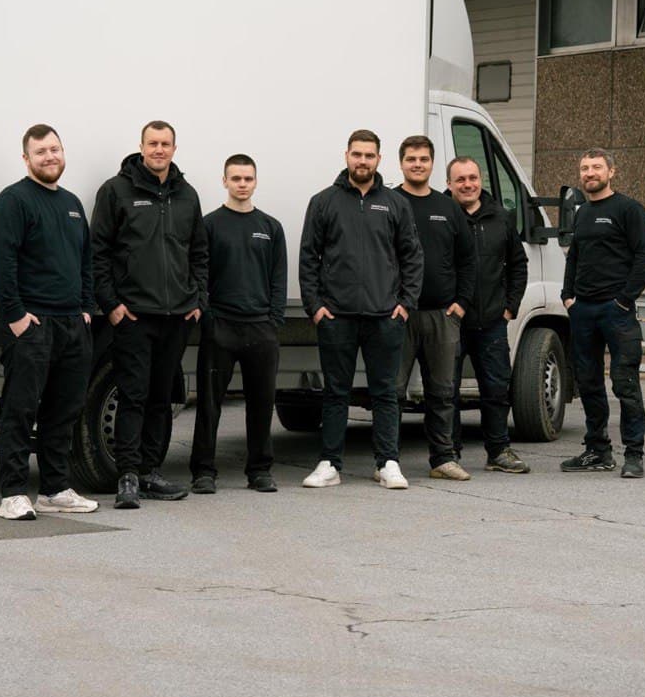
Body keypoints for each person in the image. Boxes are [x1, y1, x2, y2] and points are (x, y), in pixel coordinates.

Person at [91, 120, 208, 508]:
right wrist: (111, 305)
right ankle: (127, 476)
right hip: (134, 316)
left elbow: (199, 252)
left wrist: (198, 300)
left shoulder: (187, 195)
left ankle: (149, 472)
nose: (159, 150)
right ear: (141, 147)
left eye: (165, 144)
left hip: (177, 317)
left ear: (174, 148)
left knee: (161, 398)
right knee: (133, 395)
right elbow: (98, 252)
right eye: (153, 143)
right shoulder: (116, 191)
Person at [0, 123, 99, 520]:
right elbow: (1, 261)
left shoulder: (72, 203)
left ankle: (55, 489)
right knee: (20, 410)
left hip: (72, 324)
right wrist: (16, 315)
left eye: (54, 149)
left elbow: (86, 260)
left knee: (63, 412)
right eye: (40, 152)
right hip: (32, 324)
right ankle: (13, 494)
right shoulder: (12, 202)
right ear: (26, 158)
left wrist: (86, 308)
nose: (49, 157)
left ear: (62, 152)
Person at [298, 129, 423, 490]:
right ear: (347, 156)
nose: (363, 161)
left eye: (369, 155)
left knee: (385, 393)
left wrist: (405, 304)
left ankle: (388, 463)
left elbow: (412, 256)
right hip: (336, 317)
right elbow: (308, 257)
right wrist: (315, 307)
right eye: (357, 154)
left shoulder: (395, 203)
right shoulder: (324, 202)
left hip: (385, 317)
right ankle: (329, 464)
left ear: (378, 159)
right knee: (336, 392)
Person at [188, 154, 285, 494]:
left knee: (261, 404)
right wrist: (208, 315)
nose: (242, 184)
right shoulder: (210, 225)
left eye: (248, 178)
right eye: (236, 178)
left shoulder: (270, 227)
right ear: (224, 181)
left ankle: (259, 470)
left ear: (255, 182)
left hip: (261, 328)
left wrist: (274, 320)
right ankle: (203, 471)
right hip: (221, 327)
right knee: (209, 404)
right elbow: (199, 272)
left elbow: (278, 278)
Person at [560, 149, 645, 479]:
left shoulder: (629, 209)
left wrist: (624, 301)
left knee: (624, 383)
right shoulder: (583, 213)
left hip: (616, 313)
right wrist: (568, 297)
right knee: (588, 383)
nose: (590, 173)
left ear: (611, 172)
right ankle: (597, 451)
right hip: (583, 311)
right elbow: (574, 257)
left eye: (597, 167)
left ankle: (634, 454)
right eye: (585, 168)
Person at [394, 136, 476, 480]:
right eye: (411, 159)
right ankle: (388, 460)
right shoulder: (390, 202)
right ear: (401, 163)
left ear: (431, 163)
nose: (418, 164)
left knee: (442, 392)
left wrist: (461, 304)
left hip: (442, 316)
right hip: (399, 316)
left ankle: (443, 459)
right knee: (392, 393)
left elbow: (467, 259)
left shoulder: (448, 207)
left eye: (424, 159)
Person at [446, 157, 531, 474]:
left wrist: (510, 307)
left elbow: (518, 264)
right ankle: (448, 452)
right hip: (451, 321)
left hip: (492, 321)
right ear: (449, 184)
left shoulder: (501, 217)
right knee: (446, 390)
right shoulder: (443, 216)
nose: (467, 184)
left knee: (496, 389)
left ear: (480, 180)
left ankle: (498, 451)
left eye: (472, 178)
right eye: (460, 180)